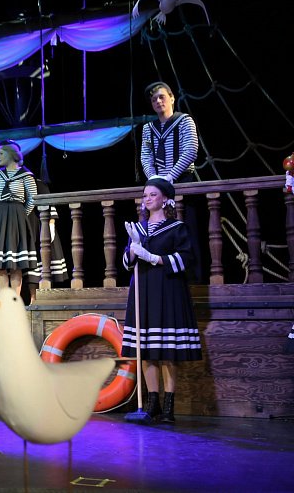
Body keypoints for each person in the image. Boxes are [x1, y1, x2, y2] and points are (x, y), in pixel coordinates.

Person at [120, 176, 202, 423]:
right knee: (147, 349)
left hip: (168, 289)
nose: (147, 199)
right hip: (144, 290)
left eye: (152, 194)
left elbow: (186, 259)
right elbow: (127, 264)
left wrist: (153, 258)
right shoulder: (138, 229)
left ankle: (169, 407)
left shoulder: (177, 228)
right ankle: (152, 404)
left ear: (165, 198)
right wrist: (133, 249)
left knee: (167, 350)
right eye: (145, 195)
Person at [140, 80, 203, 282]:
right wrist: (154, 179)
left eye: (162, 97)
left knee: (186, 229)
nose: (158, 101)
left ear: (172, 98)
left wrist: (170, 176)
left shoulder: (185, 121)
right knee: (158, 230)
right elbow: (146, 156)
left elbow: (191, 150)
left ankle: (193, 277)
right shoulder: (148, 128)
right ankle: (162, 273)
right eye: (154, 99)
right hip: (159, 186)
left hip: (182, 181)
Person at [0, 140, 38, 300]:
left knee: (15, 262)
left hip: (17, 217)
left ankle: (15, 300)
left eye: (1, 153)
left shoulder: (26, 175)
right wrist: (0, 212)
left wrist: (20, 214)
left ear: (11, 154)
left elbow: (32, 199)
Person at [25, 177, 69, 302]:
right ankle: (33, 297)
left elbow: (49, 204)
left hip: (40, 226)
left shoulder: (39, 184)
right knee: (31, 266)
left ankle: (44, 297)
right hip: (27, 225)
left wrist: (51, 224)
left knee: (43, 263)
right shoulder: (19, 183)